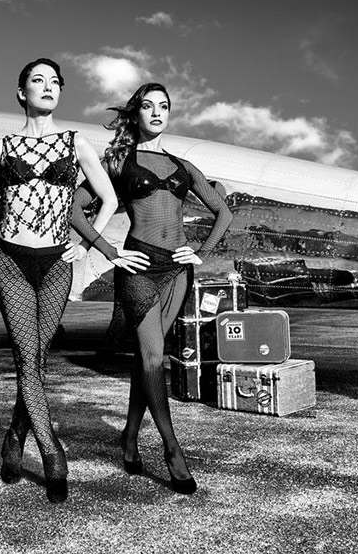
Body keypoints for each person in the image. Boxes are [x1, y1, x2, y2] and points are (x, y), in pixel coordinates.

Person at [0, 58, 147, 503]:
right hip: (12, 262)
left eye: (54, 82)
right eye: (38, 80)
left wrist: (86, 245)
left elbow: (108, 199)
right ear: (21, 92)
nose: (48, 87)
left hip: (56, 265)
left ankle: (14, 437)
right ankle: (52, 451)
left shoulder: (75, 143)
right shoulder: (1, 147)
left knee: (37, 359)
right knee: (26, 358)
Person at [73, 82, 232, 494]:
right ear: (137, 113)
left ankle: (129, 436)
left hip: (177, 271)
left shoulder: (183, 166)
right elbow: (75, 209)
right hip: (139, 268)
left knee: (148, 358)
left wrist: (201, 252)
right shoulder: (118, 161)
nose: (157, 112)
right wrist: (110, 251)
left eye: (164, 106)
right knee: (152, 358)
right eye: (148, 106)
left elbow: (224, 212)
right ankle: (172, 448)